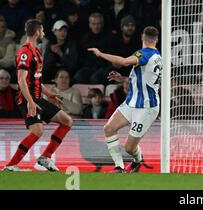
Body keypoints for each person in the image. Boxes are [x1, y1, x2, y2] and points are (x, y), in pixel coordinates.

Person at [88, 26, 162, 173]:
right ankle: (119, 167)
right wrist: (122, 79)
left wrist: (100, 54)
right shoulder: (157, 56)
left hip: (146, 107)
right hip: (131, 102)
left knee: (129, 148)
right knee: (109, 128)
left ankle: (138, 159)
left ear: (142, 37)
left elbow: (123, 62)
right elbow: (144, 78)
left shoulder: (145, 54)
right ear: (157, 40)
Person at [3, 19, 72, 172]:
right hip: (27, 98)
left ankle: (45, 157)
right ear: (36, 32)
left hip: (37, 98)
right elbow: (21, 80)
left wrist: (50, 95)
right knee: (37, 131)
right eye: (42, 30)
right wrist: (30, 102)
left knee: (66, 121)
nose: (44, 33)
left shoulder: (37, 51)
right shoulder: (25, 52)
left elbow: (35, 79)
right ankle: (10, 165)